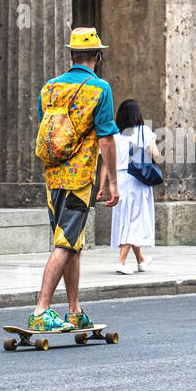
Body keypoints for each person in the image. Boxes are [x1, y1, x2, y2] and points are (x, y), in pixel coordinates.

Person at [29, 27, 119, 332]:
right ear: (97, 56)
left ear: (71, 55)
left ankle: (74, 310)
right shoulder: (99, 89)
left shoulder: (49, 88)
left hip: (52, 176)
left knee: (72, 243)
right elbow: (106, 139)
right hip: (79, 178)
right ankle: (41, 310)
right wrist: (112, 183)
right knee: (66, 244)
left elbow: (47, 130)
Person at [111, 99, 159, 274]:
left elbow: (105, 163)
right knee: (135, 219)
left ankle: (141, 260)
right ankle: (121, 262)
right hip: (137, 179)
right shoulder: (143, 131)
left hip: (120, 178)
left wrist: (106, 184)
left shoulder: (114, 135)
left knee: (127, 218)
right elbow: (155, 153)